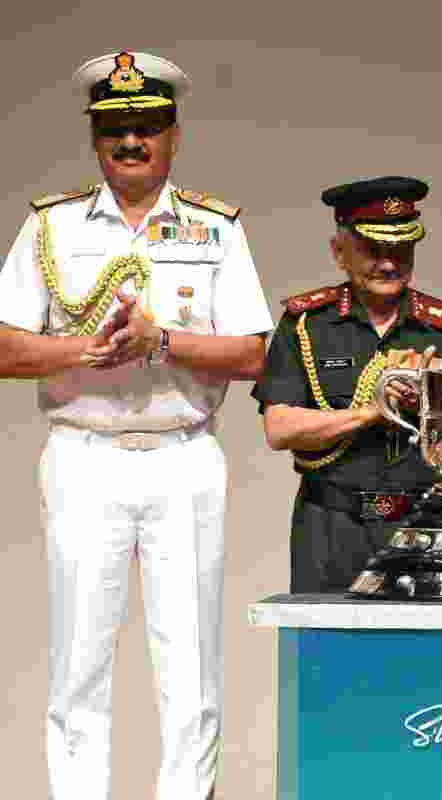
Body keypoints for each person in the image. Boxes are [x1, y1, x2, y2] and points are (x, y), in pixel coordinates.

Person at [0, 51, 272, 800]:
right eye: (116, 128)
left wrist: (162, 342)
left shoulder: (214, 229)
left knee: (189, 663)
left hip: (182, 457)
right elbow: (3, 343)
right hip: (84, 454)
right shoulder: (51, 227)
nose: (131, 142)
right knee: (77, 662)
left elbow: (253, 352)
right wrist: (83, 347)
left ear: (174, 135)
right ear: (95, 138)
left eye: (146, 126)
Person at [252, 177, 442, 593]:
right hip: (331, 525)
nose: (388, 263)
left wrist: (432, 401)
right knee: (326, 652)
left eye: (400, 251)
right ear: (339, 252)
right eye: (373, 250)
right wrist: (372, 412)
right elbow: (280, 428)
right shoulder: (306, 324)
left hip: (426, 523)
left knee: (426, 655)